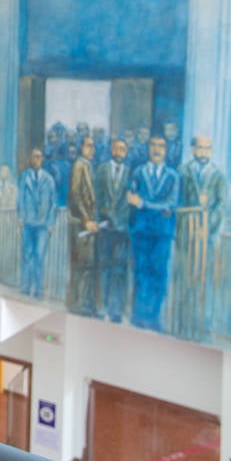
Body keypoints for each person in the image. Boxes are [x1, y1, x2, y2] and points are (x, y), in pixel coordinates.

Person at [127, 136, 180, 331]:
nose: (157, 149)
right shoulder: (138, 173)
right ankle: (139, 315)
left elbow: (171, 204)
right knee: (141, 273)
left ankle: (154, 317)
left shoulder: (173, 176)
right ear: (148, 148)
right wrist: (155, 209)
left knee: (159, 275)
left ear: (166, 150)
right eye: (154, 145)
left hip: (162, 234)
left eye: (162, 146)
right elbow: (131, 199)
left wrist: (144, 204)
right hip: (141, 232)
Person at [93, 138, 133, 323]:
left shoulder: (130, 173)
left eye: (123, 149)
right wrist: (100, 218)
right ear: (111, 150)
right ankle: (102, 308)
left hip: (122, 229)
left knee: (120, 270)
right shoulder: (101, 170)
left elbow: (130, 202)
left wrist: (123, 222)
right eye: (117, 148)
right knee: (103, 268)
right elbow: (96, 197)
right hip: (105, 228)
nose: (119, 152)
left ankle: (116, 310)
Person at [16, 148, 58, 300]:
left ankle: (38, 289)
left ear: (42, 159)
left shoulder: (49, 179)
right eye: (34, 157)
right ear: (30, 158)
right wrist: (20, 217)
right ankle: (26, 287)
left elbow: (54, 203)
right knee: (27, 255)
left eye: (39, 157)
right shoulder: (24, 177)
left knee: (39, 256)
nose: (36, 159)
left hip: (42, 225)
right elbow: (20, 198)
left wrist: (50, 222)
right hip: (27, 223)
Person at [66, 136, 99, 315]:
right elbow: (75, 194)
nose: (92, 149)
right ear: (81, 147)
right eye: (88, 146)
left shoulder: (88, 165)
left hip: (88, 223)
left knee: (86, 265)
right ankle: (76, 304)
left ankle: (82, 303)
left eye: (93, 146)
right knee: (80, 265)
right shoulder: (79, 165)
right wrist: (86, 219)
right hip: (80, 223)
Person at [180, 135, 228, 239]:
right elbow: (180, 201)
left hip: (208, 230)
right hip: (186, 229)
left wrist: (209, 225)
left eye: (208, 148)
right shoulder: (183, 171)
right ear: (193, 149)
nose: (204, 152)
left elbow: (221, 204)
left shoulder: (218, 175)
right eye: (200, 148)